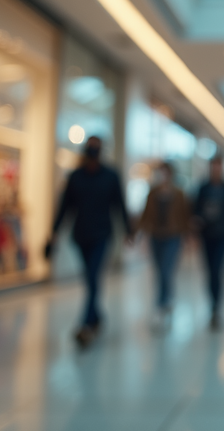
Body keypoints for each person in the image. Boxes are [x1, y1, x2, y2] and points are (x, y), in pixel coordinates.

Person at [48, 136, 132, 348]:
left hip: (102, 235)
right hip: (81, 236)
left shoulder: (111, 176)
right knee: (90, 279)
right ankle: (96, 317)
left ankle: (85, 325)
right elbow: (65, 207)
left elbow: (120, 205)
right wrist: (54, 232)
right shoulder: (75, 177)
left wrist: (128, 231)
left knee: (93, 276)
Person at [138, 161, 189, 329]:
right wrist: (139, 234)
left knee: (166, 270)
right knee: (160, 271)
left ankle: (160, 305)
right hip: (155, 236)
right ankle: (167, 299)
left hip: (173, 236)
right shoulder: (153, 193)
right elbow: (146, 214)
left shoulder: (179, 193)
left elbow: (185, 215)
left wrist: (188, 237)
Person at [194, 157, 224, 331]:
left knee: (217, 270)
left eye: (218, 167)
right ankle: (212, 304)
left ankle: (217, 307)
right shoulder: (203, 188)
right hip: (207, 236)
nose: (216, 170)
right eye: (213, 166)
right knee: (210, 272)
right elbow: (195, 209)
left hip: (223, 235)